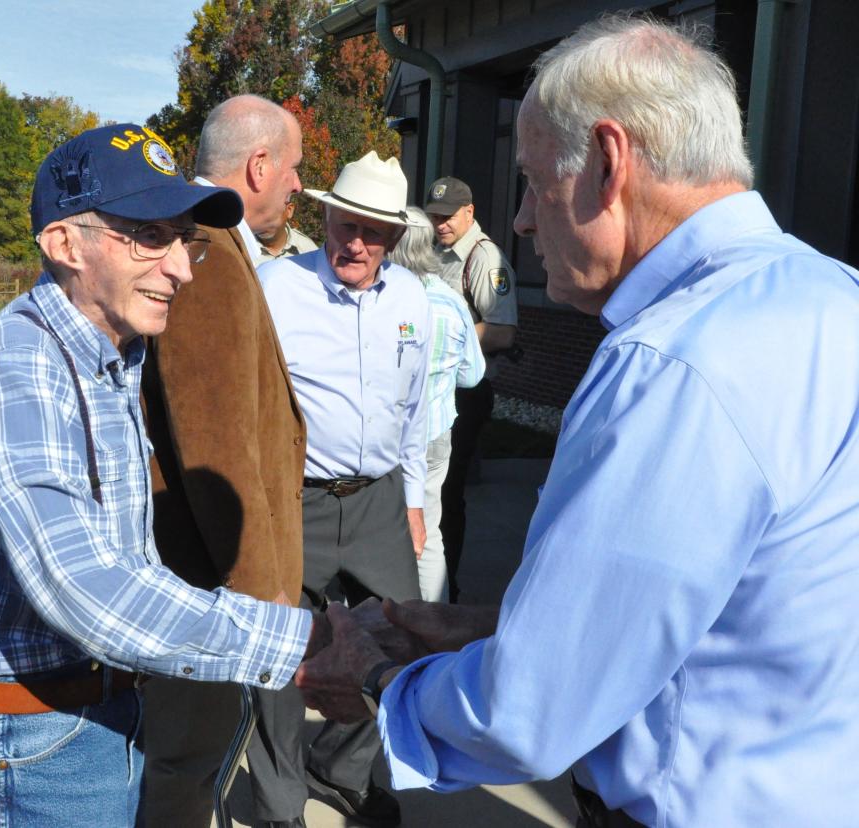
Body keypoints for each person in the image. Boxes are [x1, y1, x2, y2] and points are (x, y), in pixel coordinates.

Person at [295, 13, 859, 828]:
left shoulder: (671, 360)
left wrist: (381, 681)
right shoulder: (831, 297)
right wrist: (491, 628)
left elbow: (527, 714)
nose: (522, 220)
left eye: (531, 180)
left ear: (606, 161)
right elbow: (736, 615)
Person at [0, 123, 326, 827]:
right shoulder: (19, 366)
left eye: (183, 238)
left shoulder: (111, 359)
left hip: (93, 714)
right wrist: (291, 641)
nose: (183, 268)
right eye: (149, 236)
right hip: (35, 744)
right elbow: (85, 585)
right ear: (63, 243)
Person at [139, 96, 309, 827]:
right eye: (295, 168)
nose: (299, 186)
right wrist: (266, 605)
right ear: (259, 165)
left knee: (197, 760)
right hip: (207, 591)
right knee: (183, 767)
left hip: (210, 587)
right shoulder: (207, 253)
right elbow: (218, 451)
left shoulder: (216, 247)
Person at [258, 151, 432, 827]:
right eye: (341, 223)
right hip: (294, 500)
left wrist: (414, 502)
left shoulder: (414, 299)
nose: (351, 241)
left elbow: (416, 410)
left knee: (399, 638)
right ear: (324, 216)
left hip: (379, 502)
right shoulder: (277, 288)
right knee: (280, 651)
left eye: (369, 230)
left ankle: (337, 766)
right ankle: (277, 803)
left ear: (393, 236)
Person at [425, 175, 518, 602]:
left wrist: (443, 333)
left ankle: (449, 590)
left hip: (466, 390)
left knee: (445, 497)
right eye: (434, 216)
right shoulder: (436, 252)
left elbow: (501, 333)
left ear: (470, 212)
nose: (440, 224)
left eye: (447, 217)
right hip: (438, 387)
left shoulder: (485, 258)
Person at [388, 206, 485, 602]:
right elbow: (473, 374)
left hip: (388, 437)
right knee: (428, 530)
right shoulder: (451, 301)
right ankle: (431, 621)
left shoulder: (385, 298)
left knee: (375, 531)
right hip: (434, 435)